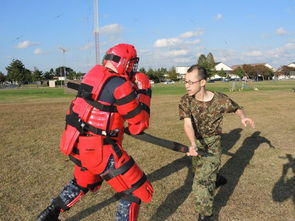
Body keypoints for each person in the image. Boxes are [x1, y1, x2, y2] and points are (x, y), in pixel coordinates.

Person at [37, 43, 153, 221]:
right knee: (135, 192)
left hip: (79, 146)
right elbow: (138, 125)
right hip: (100, 150)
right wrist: (144, 91)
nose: (132, 69)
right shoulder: (120, 84)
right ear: (123, 62)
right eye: (131, 64)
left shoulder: (92, 77)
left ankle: (48, 216)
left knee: (82, 183)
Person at [178, 65, 255, 221]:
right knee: (198, 170)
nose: (187, 85)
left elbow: (236, 108)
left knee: (201, 182)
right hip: (197, 142)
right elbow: (187, 124)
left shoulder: (220, 99)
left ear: (203, 82)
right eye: (185, 81)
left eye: (191, 82)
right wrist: (193, 144)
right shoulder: (185, 100)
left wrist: (243, 117)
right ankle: (217, 178)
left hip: (212, 143)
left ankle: (205, 214)